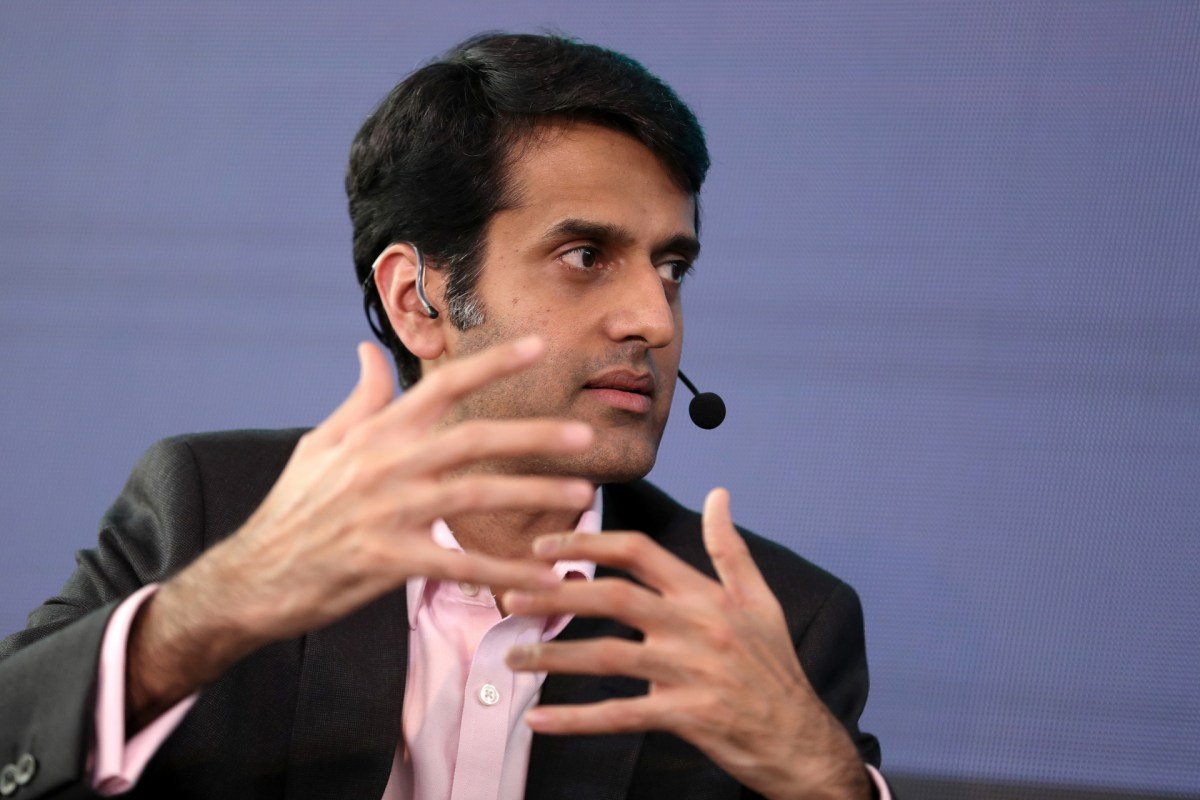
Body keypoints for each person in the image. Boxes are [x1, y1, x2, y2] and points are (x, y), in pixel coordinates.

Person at [0, 32, 891, 800]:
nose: (654, 320)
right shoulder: (214, 514)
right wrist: (202, 615)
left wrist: (827, 779)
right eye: (586, 255)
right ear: (417, 300)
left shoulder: (768, 623)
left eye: (672, 268)